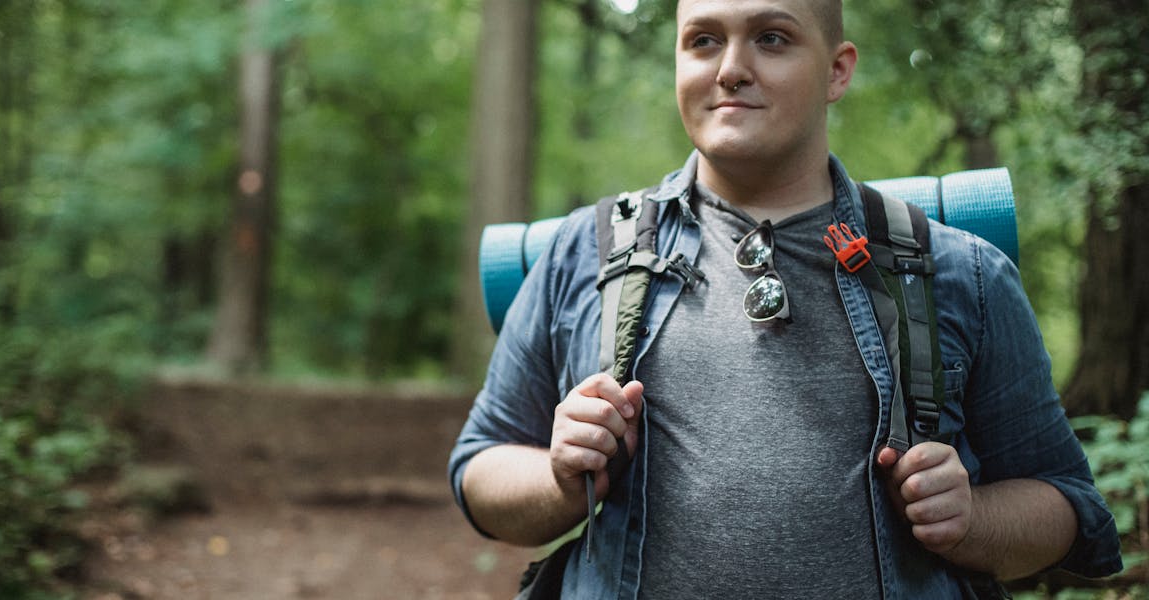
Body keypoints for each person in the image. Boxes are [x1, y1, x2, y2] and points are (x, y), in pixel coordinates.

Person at [448, 0, 1123, 597]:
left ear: (837, 71)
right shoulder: (581, 254)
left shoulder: (960, 272)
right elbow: (481, 467)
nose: (731, 69)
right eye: (703, 40)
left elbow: (1063, 505)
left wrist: (974, 521)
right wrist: (563, 477)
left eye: (771, 38)